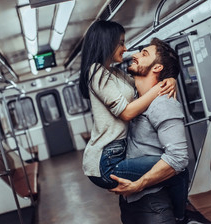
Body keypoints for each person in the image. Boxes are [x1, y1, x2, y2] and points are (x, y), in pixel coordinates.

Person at [79, 20, 176, 202]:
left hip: (117, 152)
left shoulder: (115, 73)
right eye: (121, 43)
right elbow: (126, 113)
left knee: (171, 168)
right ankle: (182, 217)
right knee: (174, 166)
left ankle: (180, 216)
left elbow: (143, 88)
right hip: (105, 161)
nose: (125, 48)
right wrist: (159, 88)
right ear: (107, 43)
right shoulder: (96, 71)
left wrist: (170, 79)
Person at [109, 37, 189, 223]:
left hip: (153, 204)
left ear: (157, 68)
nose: (135, 55)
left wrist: (138, 185)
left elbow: (178, 158)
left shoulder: (163, 103)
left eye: (144, 54)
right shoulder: (136, 98)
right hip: (131, 201)